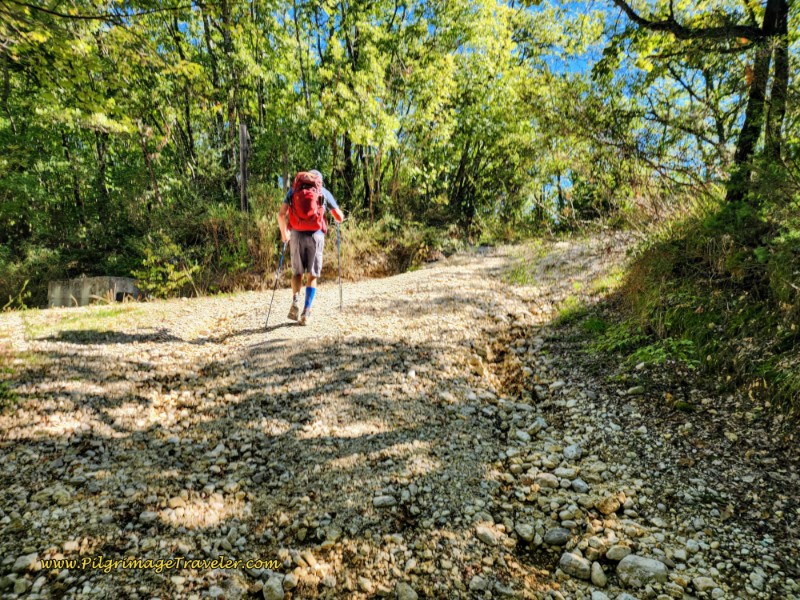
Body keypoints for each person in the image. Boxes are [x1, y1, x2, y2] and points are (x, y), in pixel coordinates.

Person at [277, 170, 344, 325]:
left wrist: (284, 233)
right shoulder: (322, 191)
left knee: (297, 273)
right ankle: (306, 311)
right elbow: (339, 217)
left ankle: (295, 300)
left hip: (296, 235)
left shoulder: (294, 190)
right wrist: (338, 218)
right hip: (316, 235)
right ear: (319, 180)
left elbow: (281, 215)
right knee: (312, 275)